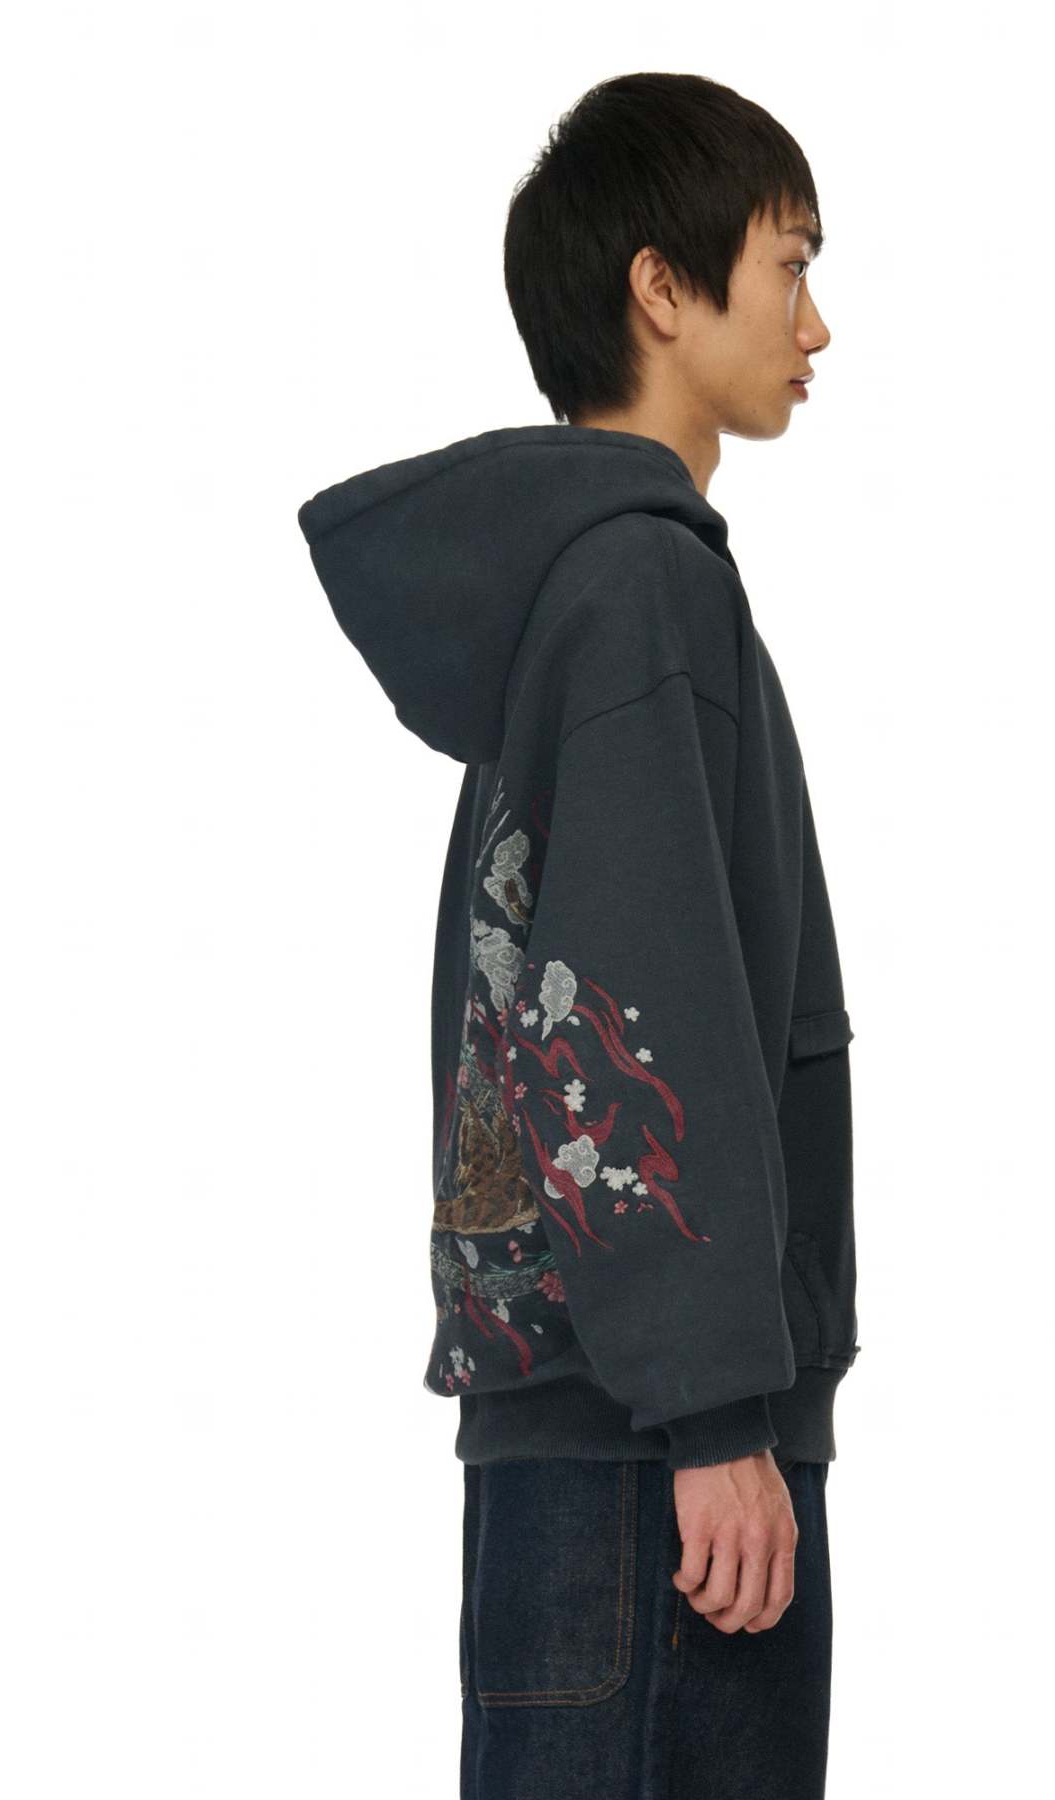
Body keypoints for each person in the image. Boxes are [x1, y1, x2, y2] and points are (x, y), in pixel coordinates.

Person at [297, 71, 859, 1800]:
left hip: (590, 1437)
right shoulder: (640, 588)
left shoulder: (581, 593)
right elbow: (637, 993)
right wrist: (716, 1416)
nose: (818, 324)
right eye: (790, 265)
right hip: (654, 1455)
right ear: (662, 289)